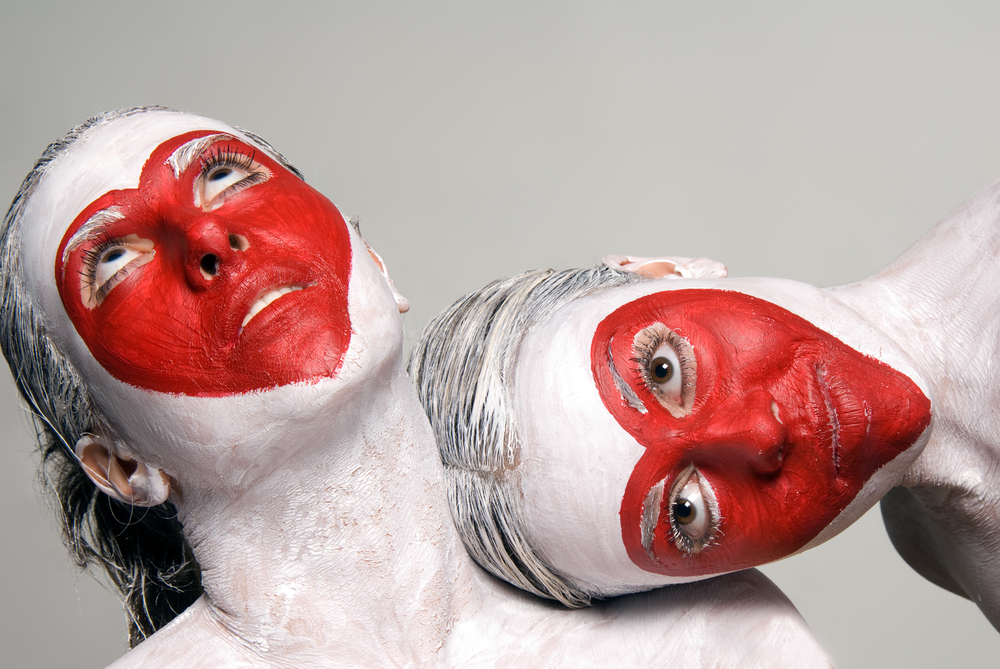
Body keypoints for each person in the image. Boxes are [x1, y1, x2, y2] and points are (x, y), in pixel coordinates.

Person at [1, 107, 833, 667]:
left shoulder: (712, 647)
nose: (209, 233)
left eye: (227, 177)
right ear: (120, 466)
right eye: (116, 259)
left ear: (376, 264)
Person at [411, 201, 994, 619]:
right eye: (687, 511)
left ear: (664, 269)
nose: (762, 435)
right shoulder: (937, 548)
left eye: (664, 371)